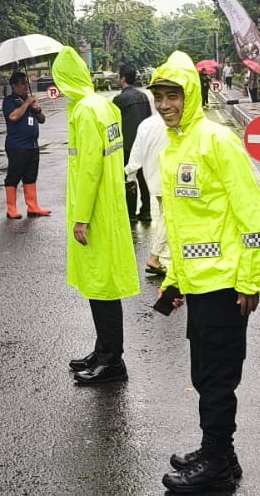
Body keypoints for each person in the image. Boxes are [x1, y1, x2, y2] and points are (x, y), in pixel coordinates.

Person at [149, 50, 260, 494]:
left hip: (225, 283)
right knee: (204, 374)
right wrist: (175, 280)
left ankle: (216, 464)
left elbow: (251, 210)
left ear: (191, 95)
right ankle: (220, 452)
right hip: (198, 286)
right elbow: (182, 227)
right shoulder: (174, 146)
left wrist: (251, 278)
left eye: (172, 96)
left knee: (217, 379)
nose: (164, 105)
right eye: (159, 96)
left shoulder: (216, 141)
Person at [54, 46, 140, 386]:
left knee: (101, 285)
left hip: (95, 211)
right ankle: (103, 348)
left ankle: (112, 360)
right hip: (109, 205)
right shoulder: (102, 104)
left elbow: (89, 169)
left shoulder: (85, 112)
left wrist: (81, 217)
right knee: (99, 282)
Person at [126, 100, 169, 278]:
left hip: (154, 179)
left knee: (165, 216)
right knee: (169, 218)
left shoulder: (146, 124)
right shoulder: (179, 123)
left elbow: (136, 152)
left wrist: (130, 173)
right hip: (172, 180)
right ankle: (156, 257)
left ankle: (165, 257)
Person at [1, 71, 50, 218]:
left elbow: (42, 119)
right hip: (17, 146)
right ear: (14, 86)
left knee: (30, 176)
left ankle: (33, 207)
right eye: (22, 83)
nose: (26, 87)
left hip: (32, 146)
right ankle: (11, 209)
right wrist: (27, 103)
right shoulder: (10, 101)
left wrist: (37, 108)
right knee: (14, 176)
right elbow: (13, 116)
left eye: (26, 83)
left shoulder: (29, 101)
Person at [113, 65, 154, 222]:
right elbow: (149, 119)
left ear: (123, 78)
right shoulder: (143, 96)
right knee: (144, 178)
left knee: (130, 177)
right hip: (144, 144)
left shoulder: (119, 100)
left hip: (127, 145)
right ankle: (146, 211)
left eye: (118, 76)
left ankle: (131, 213)